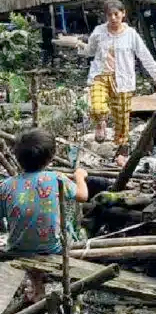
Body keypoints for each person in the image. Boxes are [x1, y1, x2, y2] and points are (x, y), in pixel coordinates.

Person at [0, 129, 89, 301]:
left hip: (18, 246)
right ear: (51, 158)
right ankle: (42, 285)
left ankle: (37, 286)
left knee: (26, 233)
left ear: (17, 157)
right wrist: (80, 176)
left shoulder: (6, 186)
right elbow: (83, 196)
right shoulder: (57, 178)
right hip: (53, 247)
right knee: (74, 229)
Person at [77, 0, 156, 161]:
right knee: (97, 107)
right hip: (100, 75)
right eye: (109, 15)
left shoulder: (131, 34)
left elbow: (144, 55)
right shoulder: (99, 32)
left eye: (116, 14)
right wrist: (79, 46)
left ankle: (122, 147)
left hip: (123, 79)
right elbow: (90, 51)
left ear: (123, 14)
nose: (113, 18)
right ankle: (100, 123)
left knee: (122, 116)